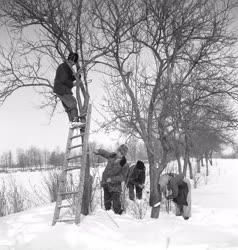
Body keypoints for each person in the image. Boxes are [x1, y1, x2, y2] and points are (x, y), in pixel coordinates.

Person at [94, 144, 129, 215]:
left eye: (120, 152)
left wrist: (112, 179)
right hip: (106, 183)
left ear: (123, 154)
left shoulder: (124, 164)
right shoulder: (113, 156)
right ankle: (108, 216)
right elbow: (105, 153)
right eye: (118, 151)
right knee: (107, 203)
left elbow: (122, 177)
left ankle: (121, 218)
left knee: (116, 206)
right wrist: (98, 151)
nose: (118, 153)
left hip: (115, 186)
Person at [54, 52, 81, 124]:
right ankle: (75, 121)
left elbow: (69, 78)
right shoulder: (63, 66)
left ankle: (72, 123)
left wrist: (77, 76)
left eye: (74, 63)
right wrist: (73, 84)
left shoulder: (67, 68)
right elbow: (64, 79)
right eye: (72, 62)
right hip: (62, 89)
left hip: (60, 89)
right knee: (73, 102)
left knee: (68, 108)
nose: (73, 64)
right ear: (70, 60)